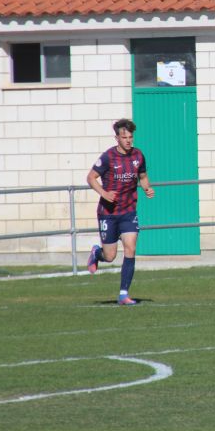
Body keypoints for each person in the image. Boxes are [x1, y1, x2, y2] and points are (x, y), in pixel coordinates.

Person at [86, 118, 155, 305]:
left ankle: (124, 294)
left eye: (131, 137)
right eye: (124, 137)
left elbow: (143, 177)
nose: (128, 141)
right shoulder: (108, 157)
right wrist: (104, 193)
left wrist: (147, 188)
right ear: (117, 138)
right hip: (108, 213)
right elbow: (91, 178)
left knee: (130, 248)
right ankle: (97, 253)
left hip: (128, 211)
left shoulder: (138, 156)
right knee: (110, 256)